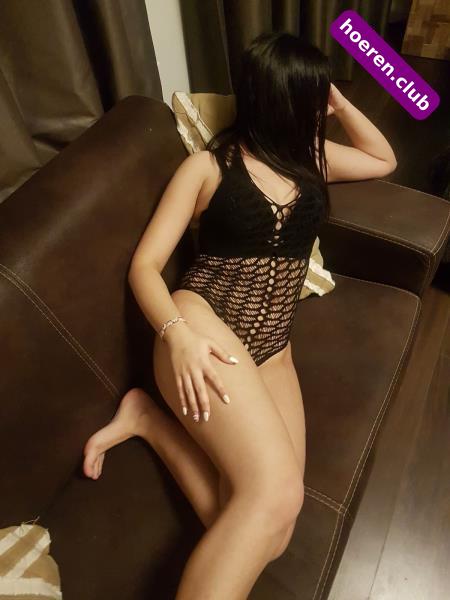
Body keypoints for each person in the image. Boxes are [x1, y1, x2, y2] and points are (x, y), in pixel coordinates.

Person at [82, 31, 397, 599]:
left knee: (274, 527)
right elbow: (144, 266)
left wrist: (336, 98)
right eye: (310, 98)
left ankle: (148, 420)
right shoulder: (207, 168)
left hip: (273, 349)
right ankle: (149, 414)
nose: (319, 111)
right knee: (274, 498)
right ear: (279, 101)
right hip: (201, 326)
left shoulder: (311, 160)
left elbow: (382, 158)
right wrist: (176, 335)